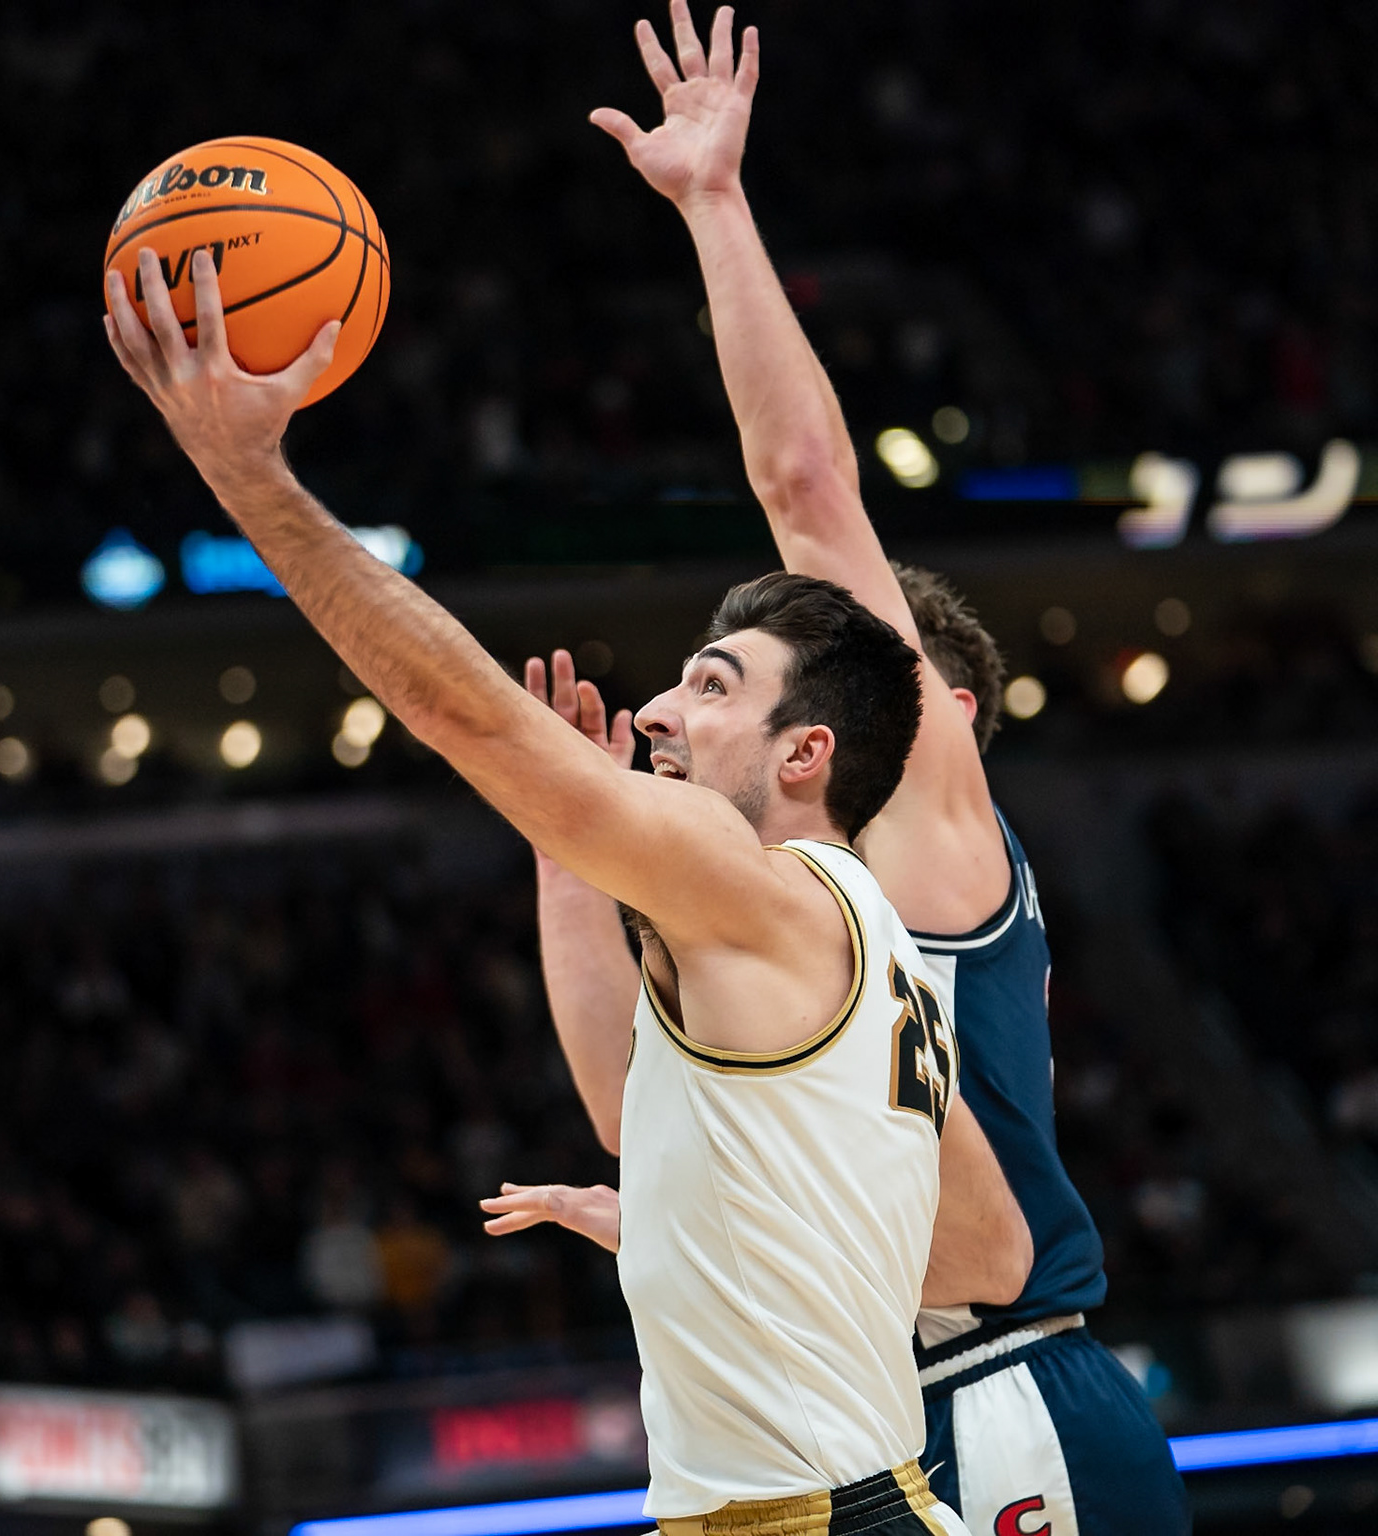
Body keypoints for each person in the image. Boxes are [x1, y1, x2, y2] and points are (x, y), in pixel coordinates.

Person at [105, 232, 1005, 1533]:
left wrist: (252, 482)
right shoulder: (858, 934)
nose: (654, 709)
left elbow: (461, 714)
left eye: (711, 686)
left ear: (807, 754)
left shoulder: (749, 878)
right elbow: (977, 1251)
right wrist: (703, 1229)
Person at [485, 9, 1189, 1534]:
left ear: (915, 710)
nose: (693, 703)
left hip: (999, 1391)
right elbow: (629, 1107)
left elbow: (808, 490)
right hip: (860, 1432)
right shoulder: (768, 906)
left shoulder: (924, 819)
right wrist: (568, 854)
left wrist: (716, 207)